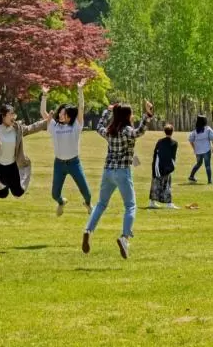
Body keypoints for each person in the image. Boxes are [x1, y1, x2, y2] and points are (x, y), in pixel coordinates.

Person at [82, 100, 154, 260]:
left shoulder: (110, 131)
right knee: (130, 206)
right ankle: (125, 237)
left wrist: (107, 112)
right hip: (123, 172)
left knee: (101, 204)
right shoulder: (127, 130)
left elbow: (98, 127)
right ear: (127, 116)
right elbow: (139, 132)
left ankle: (88, 230)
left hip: (108, 171)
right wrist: (148, 115)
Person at [40, 80, 92, 217]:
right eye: (60, 113)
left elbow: (81, 108)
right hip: (59, 164)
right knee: (54, 194)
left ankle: (87, 203)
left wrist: (80, 90)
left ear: (69, 115)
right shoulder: (55, 126)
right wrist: (44, 95)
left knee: (87, 192)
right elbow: (43, 112)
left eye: (63, 113)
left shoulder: (76, 126)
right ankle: (61, 201)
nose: (60, 115)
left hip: (74, 163)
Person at [0, 103, 46, 199]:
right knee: (3, 194)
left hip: (12, 166)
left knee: (18, 192)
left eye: (14, 114)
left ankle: (5, 185)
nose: (14, 117)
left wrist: (46, 122)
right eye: (11, 114)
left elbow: (31, 128)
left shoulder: (17, 128)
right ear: (3, 115)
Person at [150, 125, 178, 209]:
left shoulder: (159, 141)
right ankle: (169, 203)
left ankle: (152, 202)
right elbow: (173, 156)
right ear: (172, 132)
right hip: (167, 166)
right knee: (167, 184)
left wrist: (154, 166)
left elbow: (155, 153)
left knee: (155, 183)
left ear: (164, 131)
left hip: (157, 165)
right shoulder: (174, 143)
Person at [187, 115, 213, 185]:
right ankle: (209, 181)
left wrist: (194, 148)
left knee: (198, 163)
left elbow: (190, 140)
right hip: (206, 150)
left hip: (198, 151)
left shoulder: (195, 131)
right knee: (207, 165)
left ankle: (191, 176)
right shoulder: (208, 129)